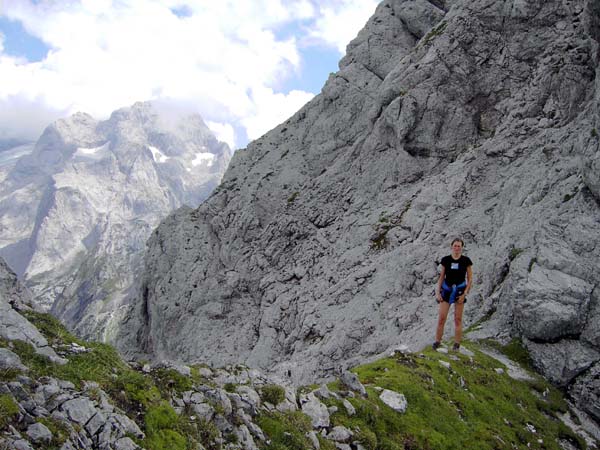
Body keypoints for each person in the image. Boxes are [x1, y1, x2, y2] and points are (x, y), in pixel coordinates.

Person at [433, 238, 473, 351]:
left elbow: (470, 279)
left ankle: (456, 344)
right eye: (455, 246)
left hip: (460, 291)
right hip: (446, 290)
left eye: (459, 246)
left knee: (458, 319)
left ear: (462, 248)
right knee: (441, 318)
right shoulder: (446, 260)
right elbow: (442, 277)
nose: (457, 248)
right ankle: (437, 341)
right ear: (451, 246)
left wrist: (465, 293)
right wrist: (438, 292)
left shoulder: (466, 261)